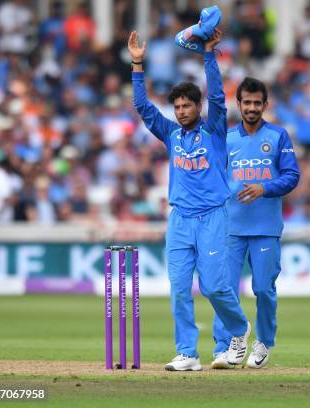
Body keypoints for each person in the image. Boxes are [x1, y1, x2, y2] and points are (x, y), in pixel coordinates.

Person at [128, 29, 251, 371]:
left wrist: (209, 55)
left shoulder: (214, 130)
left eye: (187, 106)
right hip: (179, 219)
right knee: (180, 289)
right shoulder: (171, 134)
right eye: (178, 107)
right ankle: (188, 353)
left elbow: (219, 97)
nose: (182, 111)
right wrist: (138, 63)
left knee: (213, 286)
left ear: (198, 106)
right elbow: (141, 106)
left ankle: (239, 330)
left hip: (212, 217)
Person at [212, 77, 300, 369]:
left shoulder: (278, 136)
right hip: (231, 227)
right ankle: (227, 344)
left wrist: (265, 188)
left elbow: (291, 176)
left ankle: (262, 342)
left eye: (256, 103)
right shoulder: (225, 138)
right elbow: (212, 178)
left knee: (263, 289)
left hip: (265, 228)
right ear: (237, 104)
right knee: (223, 289)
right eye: (246, 102)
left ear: (265, 104)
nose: (251, 108)